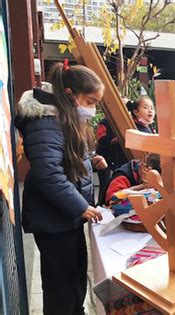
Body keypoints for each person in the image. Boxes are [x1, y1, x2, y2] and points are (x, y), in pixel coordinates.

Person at [15, 62, 105, 315]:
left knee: (74, 279)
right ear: (69, 95)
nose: (92, 109)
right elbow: (48, 174)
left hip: (66, 218)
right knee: (61, 289)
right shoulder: (45, 121)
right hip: (54, 220)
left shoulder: (63, 118)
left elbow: (63, 157)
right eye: (90, 101)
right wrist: (81, 206)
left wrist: (90, 160)